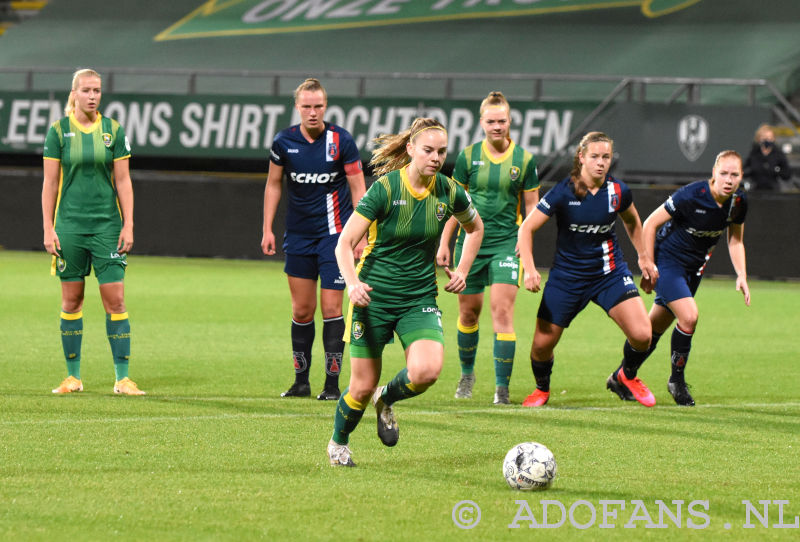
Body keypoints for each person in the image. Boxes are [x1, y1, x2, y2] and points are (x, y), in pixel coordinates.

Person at [326, 118, 484, 467]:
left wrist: (462, 270)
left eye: (442, 151)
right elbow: (344, 244)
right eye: (428, 150)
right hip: (374, 298)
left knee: (427, 371)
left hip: (418, 299)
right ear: (411, 149)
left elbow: (475, 228)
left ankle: (386, 398)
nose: (436, 157)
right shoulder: (385, 189)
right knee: (360, 387)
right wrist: (352, 284)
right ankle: (338, 443)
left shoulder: (449, 190)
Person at [516, 131, 657, 408]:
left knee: (643, 335)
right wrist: (529, 268)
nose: (601, 163)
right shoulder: (563, 191)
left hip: (609, 274)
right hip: (567, 279)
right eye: (595, 157)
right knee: (542, 346)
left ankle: (624, 376)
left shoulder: (618, 191)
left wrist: (644, 257)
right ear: (581, 157)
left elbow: (632, 221)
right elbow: (526, 229)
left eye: (606, 157)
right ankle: (542, 389)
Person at [262, 78, 367, 401]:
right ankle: (300, 382)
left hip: (335, 237)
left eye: (318, 106)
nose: (312, 112)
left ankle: (332, 386)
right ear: (297, 107)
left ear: (326, 106)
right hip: (298, 236)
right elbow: (273, 184)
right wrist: (266, 228)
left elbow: (358, 188)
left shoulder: (341, 140)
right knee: (302, 310)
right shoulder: (283, 142)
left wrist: (360, 235)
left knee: (332, 307)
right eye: (306, 106)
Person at [42, 68, 145, 395]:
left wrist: (128, 223)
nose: (92, 95)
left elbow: (124, 181)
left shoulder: (113, 130)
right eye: (86, 90)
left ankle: (122, 378)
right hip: (70, 226)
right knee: (71, 300)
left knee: (115, 299)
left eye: (97, 90)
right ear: (74, 94)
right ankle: (73, 377)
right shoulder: (58, 132)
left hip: (107, 226)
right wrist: (48, 227)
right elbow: (50, 183)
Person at [436, 91, 539, 404]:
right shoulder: (468, 157)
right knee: (468, 313)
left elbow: (533, 210)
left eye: (502, 121)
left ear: (510, 121)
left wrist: (527, 251)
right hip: (470, 243)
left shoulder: (524, 160)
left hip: (506, 243)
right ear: (482, 123)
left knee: (502, 312)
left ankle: (501, 389)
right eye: (491, 121)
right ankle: (467, 374)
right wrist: (445, 241)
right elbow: (457, 203)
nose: (497, 126)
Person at [624, 150, 749, 406]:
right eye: (723, 173)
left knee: (651, 331)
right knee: (689, 316)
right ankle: (676, 381)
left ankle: (622, 375)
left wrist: (742, 274)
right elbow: (649, 224)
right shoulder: (691, 195)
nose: (728, 179)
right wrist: (647, 264)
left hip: (694, 270)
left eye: (734, 174)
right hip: (668, 263)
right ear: (713, 173)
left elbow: (735, 239)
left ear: (741, 176)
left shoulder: (738, 202)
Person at [743, 124, 791, 191]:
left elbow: (787, 175)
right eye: (764, 138)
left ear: (773, 138)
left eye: (769, 138)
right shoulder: (753, 153)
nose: (767, 140)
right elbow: (744, 171)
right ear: (758, 139)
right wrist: (752, 170)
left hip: (774, 191)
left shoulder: (779, 154)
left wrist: (776, 170)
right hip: (756, 190)